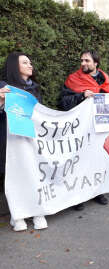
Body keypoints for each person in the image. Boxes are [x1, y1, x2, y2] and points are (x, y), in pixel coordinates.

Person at [59, 50, 109, 211]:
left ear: (95, 63)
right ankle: (78, 196)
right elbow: (63, 102)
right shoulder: (73, 79)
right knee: (80, 162)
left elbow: (105, 97)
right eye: (82, 61)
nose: (83, 63)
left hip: (99, 128)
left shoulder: (104, 78)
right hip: (80, 129)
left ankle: (97, 192)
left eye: (87, 61)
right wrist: (81, 96)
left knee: (98, 160)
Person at [0, 52, 47, 231]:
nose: (30, 65)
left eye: (30, 62)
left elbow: (40, 114)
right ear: (14, 66)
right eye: (25, 62)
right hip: (10, 142)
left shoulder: (34, 89)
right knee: (14, 178)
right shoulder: (4, 88)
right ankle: (17, 214)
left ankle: (37, 212)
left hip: (30, 140)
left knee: (33, 174)